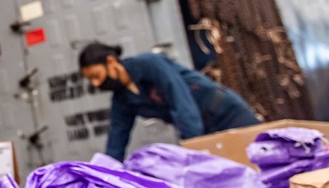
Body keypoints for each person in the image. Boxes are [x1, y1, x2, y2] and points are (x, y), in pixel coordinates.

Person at [78, 42, 260, 161]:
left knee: (256, 163)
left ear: (111, 62)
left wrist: (194, 149)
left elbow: (183, 105)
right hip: (202, 129)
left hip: (226, 114)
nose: (96, 83)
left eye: (96, 76)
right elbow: (116, 141)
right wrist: (105, 177)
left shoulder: (150, 64)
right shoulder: (122, 100)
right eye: (91, 80)